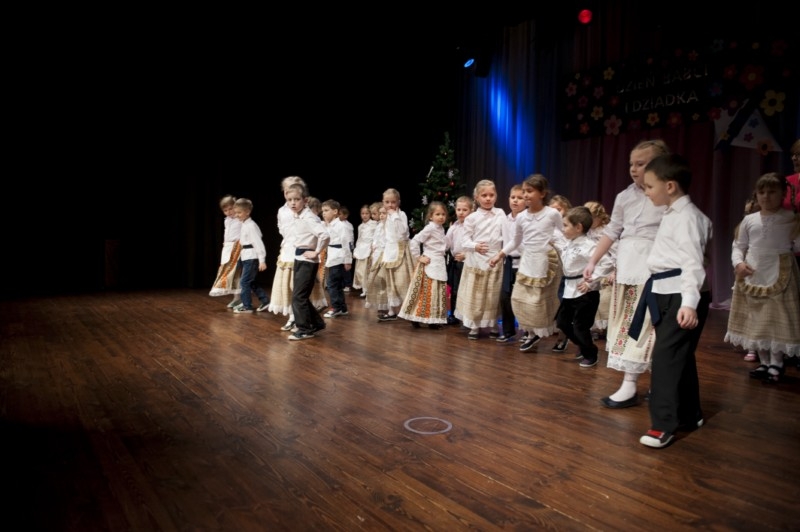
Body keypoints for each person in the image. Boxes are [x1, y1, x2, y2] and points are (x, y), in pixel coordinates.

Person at [583, 139, 670, 409]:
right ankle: (630, 383)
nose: (633, 169)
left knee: (650, 326)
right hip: (628, 267)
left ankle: (653, 382)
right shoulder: (624, 196)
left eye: (641, 164)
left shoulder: (667, 194)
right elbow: (612, 231)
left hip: (656, 266)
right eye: (631, 163)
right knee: (628, 322)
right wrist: (593, 260)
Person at [633, 153, 712, 449]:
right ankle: (690, 414)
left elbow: (693, 263)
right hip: (667, 290)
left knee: (665, 358)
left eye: (649, 186)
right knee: (680, 355)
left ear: (670, 186)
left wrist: (688, 302)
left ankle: (663, 425)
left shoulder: (688, 218)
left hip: (681, 292)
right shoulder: (674, 214)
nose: (646, 191)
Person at [724, 172, 800, 383]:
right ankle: (764, 361)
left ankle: (777, 362)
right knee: (756, 318)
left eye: (772, 192)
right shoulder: (749, 220)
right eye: (762, 192)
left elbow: (797, 245)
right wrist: (738, 263)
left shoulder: (790, 218)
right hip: (753, 272)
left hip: (780, 272)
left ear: (783, 194)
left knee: (777, 319)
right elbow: (738, 246)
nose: (766, 196)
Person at [489, 174, 563, 352]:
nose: (526, 195)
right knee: (519, 298)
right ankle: (530, 331)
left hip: (545, 262)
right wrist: (500, 255)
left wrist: (563, 252)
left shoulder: (552, 214)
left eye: (530, 191)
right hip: (527, 261)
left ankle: (539, 333)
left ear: (542, 193)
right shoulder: (522, 217)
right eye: (524, 191)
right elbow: (515, 241)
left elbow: (563, 236)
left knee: (539, 300)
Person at [552, 206, 614, 367]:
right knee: (562, 322)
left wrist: (590, 282)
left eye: (566, 225)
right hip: (569, 289)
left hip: (585, 292)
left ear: (578, 227)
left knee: (580, 326)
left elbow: (607, 263)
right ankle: (584, 346)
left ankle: (591, 354)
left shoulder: (588, 245)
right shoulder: (569, 242)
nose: (563, 229)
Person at [455, 180, 506, 339]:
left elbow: (506, 235)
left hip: (494, 260)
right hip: (476, 260)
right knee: (475, 295)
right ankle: (474, 326)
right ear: (476, 197)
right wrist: (475, 246)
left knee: (492, 295)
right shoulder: (472, 218)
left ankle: (493, 324)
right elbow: (464, 241)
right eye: (484, 195)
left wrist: (502, 253)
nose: (488, 198)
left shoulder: (500, 213)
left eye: (491, 195)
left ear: (496, 196)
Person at [287, 185, 330, 340]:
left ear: (305, 201)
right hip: (300, 258)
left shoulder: (308, 217)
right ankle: (316, 323)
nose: (293, 203)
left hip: (307, 261)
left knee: (298, 297)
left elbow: (324, 235)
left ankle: (304, 329)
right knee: (300, 296)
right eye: (289, 200)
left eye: (296, 199)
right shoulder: (299, 216)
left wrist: (316, 252)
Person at [398, 201, 449, 329]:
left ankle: (433, 319)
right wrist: (419, 257)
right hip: (429, 263)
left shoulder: (441, 229)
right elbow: (415, 241)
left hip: (439, 263)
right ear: (431, 216)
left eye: (443, 214)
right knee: (426, 292)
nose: (441, 217)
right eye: (438, 214)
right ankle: (416, 316)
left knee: (437, 291)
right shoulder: (430, 228)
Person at [269, 176, 307, 331]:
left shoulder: (305, 209)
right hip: (287, 252)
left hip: (302, 252)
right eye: (287, 191)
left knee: (298, 288)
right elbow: (281, 228)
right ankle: (292, 317)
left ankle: (301, 319)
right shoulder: (282, 211)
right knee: (287, 287)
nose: (290, 195)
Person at [375, 188, 415, 322]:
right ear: (383, 202)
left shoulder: (401, 215)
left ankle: (408, 309)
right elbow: (384, 236)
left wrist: (394, 216)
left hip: (401, 253)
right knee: (390, 283)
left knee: (402, 281)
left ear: (398, 202)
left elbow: (403, 232)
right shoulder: (385, 217)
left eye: (393, 202)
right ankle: (392, 311)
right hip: (389, 253)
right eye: (387, 202)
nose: (390, 205)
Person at [497, 184, 525, 343]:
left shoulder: (527, 218)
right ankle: (508, 331)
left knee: (523, 298)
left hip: (523, 262)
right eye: (513, 197)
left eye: (520, 198)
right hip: (508, 263)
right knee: (505, 297)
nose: (515, 201)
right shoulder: (504, 219)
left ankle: (527, 331)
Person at [231, 198, 270, 314]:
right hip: (246, 256)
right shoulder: (244, 224)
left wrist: (262, 260)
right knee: (250, 281)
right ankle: (265, 300)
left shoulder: (251, 226)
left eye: (239, 212)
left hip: (251, 257)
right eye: (236, 212)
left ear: (247, 212)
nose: (237, 215)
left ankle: (247, 306)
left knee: (244, 282)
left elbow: (258, 243)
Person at [584, 200, 613, 340]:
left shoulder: (606, 232)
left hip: (606, 270)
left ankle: (607, 329)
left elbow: (616, 253)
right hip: (592, 270)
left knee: (604, 302)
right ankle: (594, 328)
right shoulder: (587, 232)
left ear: (599, 217)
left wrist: (615, 270)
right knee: (592, 302)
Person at [209, 194, 243, 309]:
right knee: (229, 273)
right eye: (225, 210)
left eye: (231, 208)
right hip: (228, 248)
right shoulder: (227, 220)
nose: (229, 212)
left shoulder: (240, 219)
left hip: (237, 247)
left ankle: (240, 299)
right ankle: (236, 298)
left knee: (235, 273)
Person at [548, 194, 573, 351]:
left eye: (559, 209)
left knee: (564, 302)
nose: (555, 213)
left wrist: (555, 244)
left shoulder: (568, 229)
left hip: (566, 271)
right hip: (550, 271)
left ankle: (564, 336)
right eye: (552, 210)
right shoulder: (547, 227)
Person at [320, 199, 352, 318]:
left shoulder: (341, 226)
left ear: (335, 211)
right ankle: (342, 308)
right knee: (337, 284)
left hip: (338, 257)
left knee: (332, 284)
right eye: (323, 211)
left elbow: (346, 243)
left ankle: (336, 307)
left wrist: (348, 260)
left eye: (326, 210)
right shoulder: (329, 225)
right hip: (333, 256)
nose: (323, 213)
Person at [445, 195, 473, 326]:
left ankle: (467, 315)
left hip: (468, 262)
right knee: (455, 289)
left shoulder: (472, 226)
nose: (461, 212)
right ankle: (453, 314)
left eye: (464, 210)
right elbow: (446, 243)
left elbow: (476, 244)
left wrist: (466, 255)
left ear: (471, 211)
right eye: (458, 209)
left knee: (467, 290)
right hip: (455, 262)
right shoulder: (454, 226)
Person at [365, 204, 388, 318]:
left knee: (382, 280)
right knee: (375, 281)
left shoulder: (387, 226)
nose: (381, 215)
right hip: (377, 255)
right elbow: (376, 239)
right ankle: (380, 304)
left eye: (383, 213)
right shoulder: (379, 225)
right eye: (380, 213)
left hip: (384, 256)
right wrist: (373, 246)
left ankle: (385, 306)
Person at [352, 203, 378, 298]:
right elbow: (359, 239)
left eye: (367, 213)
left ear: (370, 214)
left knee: (367, 271)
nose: (364, 215)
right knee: (360, 271)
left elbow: (376, 237)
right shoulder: (360, 226)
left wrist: (373, 247)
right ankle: (364, 289)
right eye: (362, 213)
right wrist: (355, 251)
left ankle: (367, 290)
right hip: (361, 250)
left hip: (369, 249)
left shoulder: (374, 224)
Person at [338, 205, 355, 292]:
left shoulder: (347, 225)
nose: (338, 216)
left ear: (345, 215)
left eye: (340, 214)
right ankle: (342, 284)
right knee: (340, 266)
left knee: (346, 266)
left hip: (346, 247)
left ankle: (348, 284)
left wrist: (350, 248)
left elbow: (349, 238)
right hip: (343, 247)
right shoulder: (339, 224)